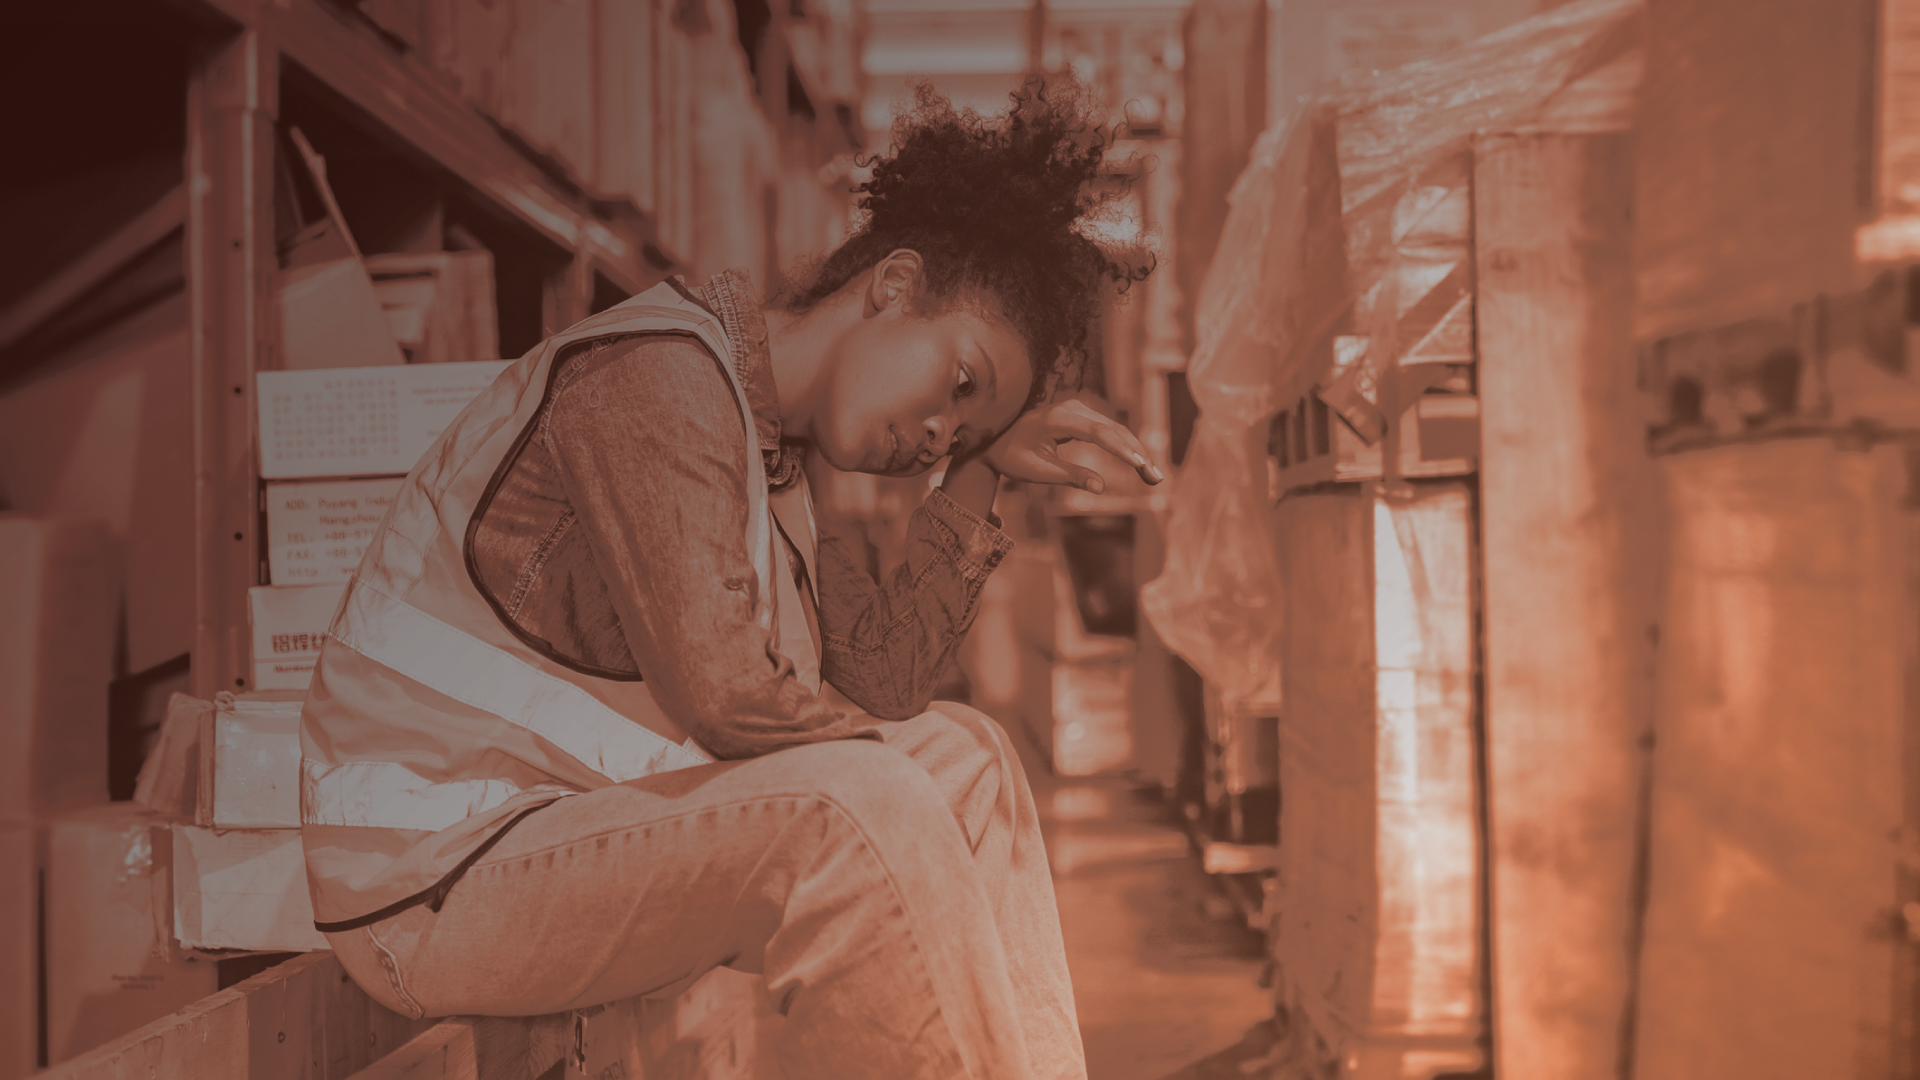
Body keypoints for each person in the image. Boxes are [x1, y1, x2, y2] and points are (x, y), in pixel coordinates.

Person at [298, 76, 1157, 1080]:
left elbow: (885, 684)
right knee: (860, 803)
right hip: (432, 878)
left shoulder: (778, 457)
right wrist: (885, 780)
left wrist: (977, 477)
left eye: (962, 430)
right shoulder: (658, 378)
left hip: (555, 839)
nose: (935, 433)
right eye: (956, 385)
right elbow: (729, 702)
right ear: (892, 285)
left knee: (967, 757)